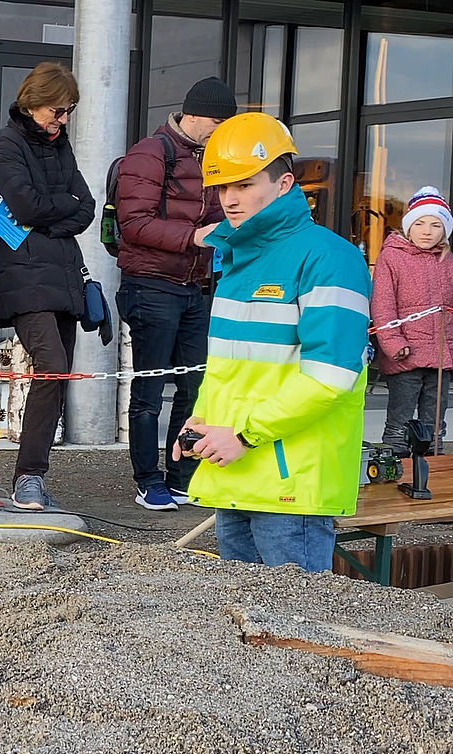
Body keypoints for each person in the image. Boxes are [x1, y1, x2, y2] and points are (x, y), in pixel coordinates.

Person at [176, 112, 371, 572]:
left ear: (284, 184)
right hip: (238, 467)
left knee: (298, 632)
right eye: (224, 188)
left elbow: (331, 375)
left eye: (244, 185)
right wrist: (202, 418)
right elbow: (228, 364)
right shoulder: (237, 257)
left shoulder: (329, 257)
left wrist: (245, 433)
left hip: (291, 484)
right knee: (242, 629)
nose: (231, 199)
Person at [115, 76, 237, 511]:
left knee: (194, 388)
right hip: (150, 285)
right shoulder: (150, 154)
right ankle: (148, 480)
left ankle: (181, 476)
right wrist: (195, 237)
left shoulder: (216, 157)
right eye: (219, 122)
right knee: (148, 392)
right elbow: (134, 224)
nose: (224, 132)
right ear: (194, 114)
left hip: (196, 288)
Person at [0, 62, 95, 511]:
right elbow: (25, 206)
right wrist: (56, 211)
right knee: (51, 361)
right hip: (21, 275)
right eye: (58, 110)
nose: (63, 120)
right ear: (33, 103)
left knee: (58, 372)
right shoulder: (5, 143)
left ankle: (31, 475)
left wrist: (49, 215)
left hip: (62, 274)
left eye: (68, 112)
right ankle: (27, 477)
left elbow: (85, 207)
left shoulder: (61, 145)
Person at [370, 186, 453, 455]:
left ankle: (433, 469)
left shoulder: (447, 260)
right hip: (405, 355)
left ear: (445, 231)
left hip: (441, 356)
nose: (427, 231)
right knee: (400, 419)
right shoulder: (392, 256)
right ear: (408, 227)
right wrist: (393, 343)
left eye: (435, 225)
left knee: (435, 421)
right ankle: (396, 463)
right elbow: (382, 304)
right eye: (419, 223)